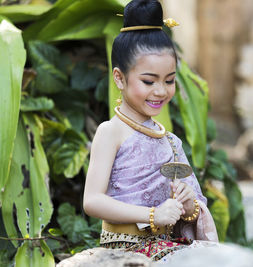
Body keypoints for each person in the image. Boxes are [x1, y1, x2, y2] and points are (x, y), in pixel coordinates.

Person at [83, 0, 218, 262]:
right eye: (148, 81)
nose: (160, 91)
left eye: (169, 80)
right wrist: (152, 215)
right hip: (123, 247)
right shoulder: (111, 132)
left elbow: (192, 211)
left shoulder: (171, 141)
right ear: (119, 78)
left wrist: (189, 205)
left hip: (165, 244)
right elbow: (92, 201)